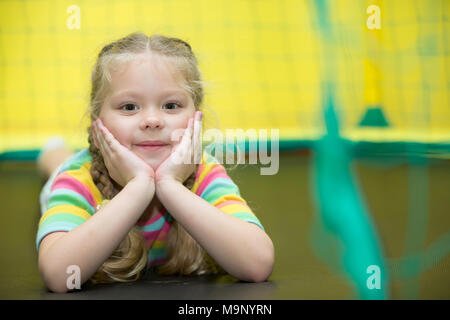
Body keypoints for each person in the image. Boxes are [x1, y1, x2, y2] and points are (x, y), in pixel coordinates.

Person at [36, 32, 274, 293]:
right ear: (97, 122)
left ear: (197, 118)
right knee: (58, 165)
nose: (152, 120)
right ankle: (52, 151)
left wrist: (169, 185)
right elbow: (59, 276)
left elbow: (258, 265)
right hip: (75, 171)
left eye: (171, 105)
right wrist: (138, 186)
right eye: (129, 107)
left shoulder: (205, 173)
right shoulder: (78, 179)